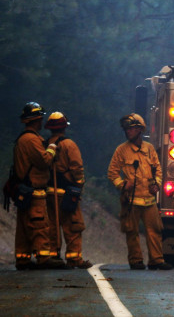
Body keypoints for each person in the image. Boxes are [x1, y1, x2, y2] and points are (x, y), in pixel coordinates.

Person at [107, 113, 172, 270]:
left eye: (131, 129)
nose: (127, 132)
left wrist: (156, 183)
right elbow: (112, 173)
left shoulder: (149, 149)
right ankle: (136, 260)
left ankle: (156, 260)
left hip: (149, 200)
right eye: (126, 129)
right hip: (131, 201)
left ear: (139, 130)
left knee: (154, 230)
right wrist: (122, 185)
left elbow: (158, 169)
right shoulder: (121, 150)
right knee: (131, 231)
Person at [13, 102, 66, 270]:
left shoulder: (22, 138)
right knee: (40, 224)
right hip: (35, 191)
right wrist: (51, 148)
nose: (42, 122)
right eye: (41, 119)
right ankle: (43, 258)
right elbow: (44, 161)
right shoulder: (31, 140)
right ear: (37, 120)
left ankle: (23, 259)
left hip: (24, 190)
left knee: (23, 228)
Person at [44, 112, 92, 269]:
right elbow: (77, 167)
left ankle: (53, 255)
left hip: (49, 192)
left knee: (52, 224)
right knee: (73, 224)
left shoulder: (45, 144)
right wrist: (79, 186)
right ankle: (74, 258)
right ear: (64, 127)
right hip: (65, 192)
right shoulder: (68, 144)